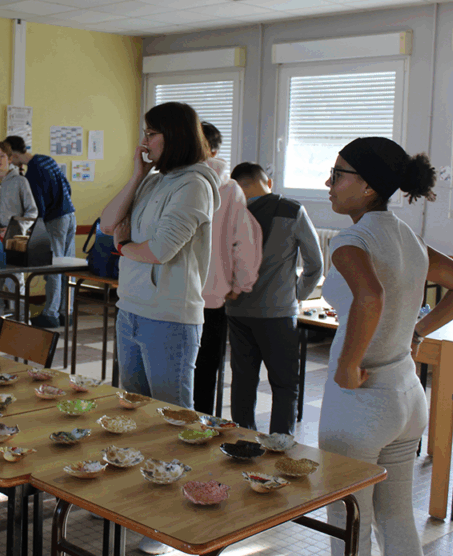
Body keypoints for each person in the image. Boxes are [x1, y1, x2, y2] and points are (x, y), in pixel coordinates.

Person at [319, 137, 453, 556]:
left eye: (337, 174)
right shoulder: (407, 236)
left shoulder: (351, 240)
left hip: (361, 402)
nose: (328, 183)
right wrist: (417, 332)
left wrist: (348, 364)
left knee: (348, 520)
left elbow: (370, 297)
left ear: (368, 186)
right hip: (406, 396)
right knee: (395, 516)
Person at [101, 102, 219, 556]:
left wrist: (125, 248)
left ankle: (172, 520)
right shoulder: (154, 179)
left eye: (152, 134)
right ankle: (141, 501)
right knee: (136, 414)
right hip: (131, 308)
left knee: (172, 420)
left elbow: (161, 249)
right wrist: (136, 175)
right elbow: (109, 224)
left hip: (169, 316)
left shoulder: (196, 185)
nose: (144, 141)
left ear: (175, 135)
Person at [226, 162, 323, 435]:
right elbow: (315, 264)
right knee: (284, 384)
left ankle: (243, 440)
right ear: (268, 182)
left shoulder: (229, 214)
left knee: (243, 381)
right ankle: (280, 444)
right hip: (278, 313)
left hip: (237, 311)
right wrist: (297, 295)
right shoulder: (291, 210)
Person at [194, 122, 262, 416]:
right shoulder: (230, 188)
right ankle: (198, 426)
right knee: (204, 370)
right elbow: (244, 241)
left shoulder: (169, 181)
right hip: (212, 294)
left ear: (212, 150)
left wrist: (241, 283)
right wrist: (239, 284)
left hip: (173, 295)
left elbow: (243, 241)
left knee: (171, 369)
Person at [6, 135, 76, 329]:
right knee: (67, 267)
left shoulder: (33, 172)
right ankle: (66, 312)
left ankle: (50, 314)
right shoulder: (46, 159)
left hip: (54, 220)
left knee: (53, 267)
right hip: (70, 214)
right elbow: (67, 186)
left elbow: (39, 208)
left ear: (13, 154)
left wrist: (33, 231)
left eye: (9, 156)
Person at [0, 141, 38, 318]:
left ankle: (22, 322)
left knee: (16, 283)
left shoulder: (21, 181)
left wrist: (15, 227)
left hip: (14, 240)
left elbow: (32, 211)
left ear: (9, 158)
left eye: (2, 156)